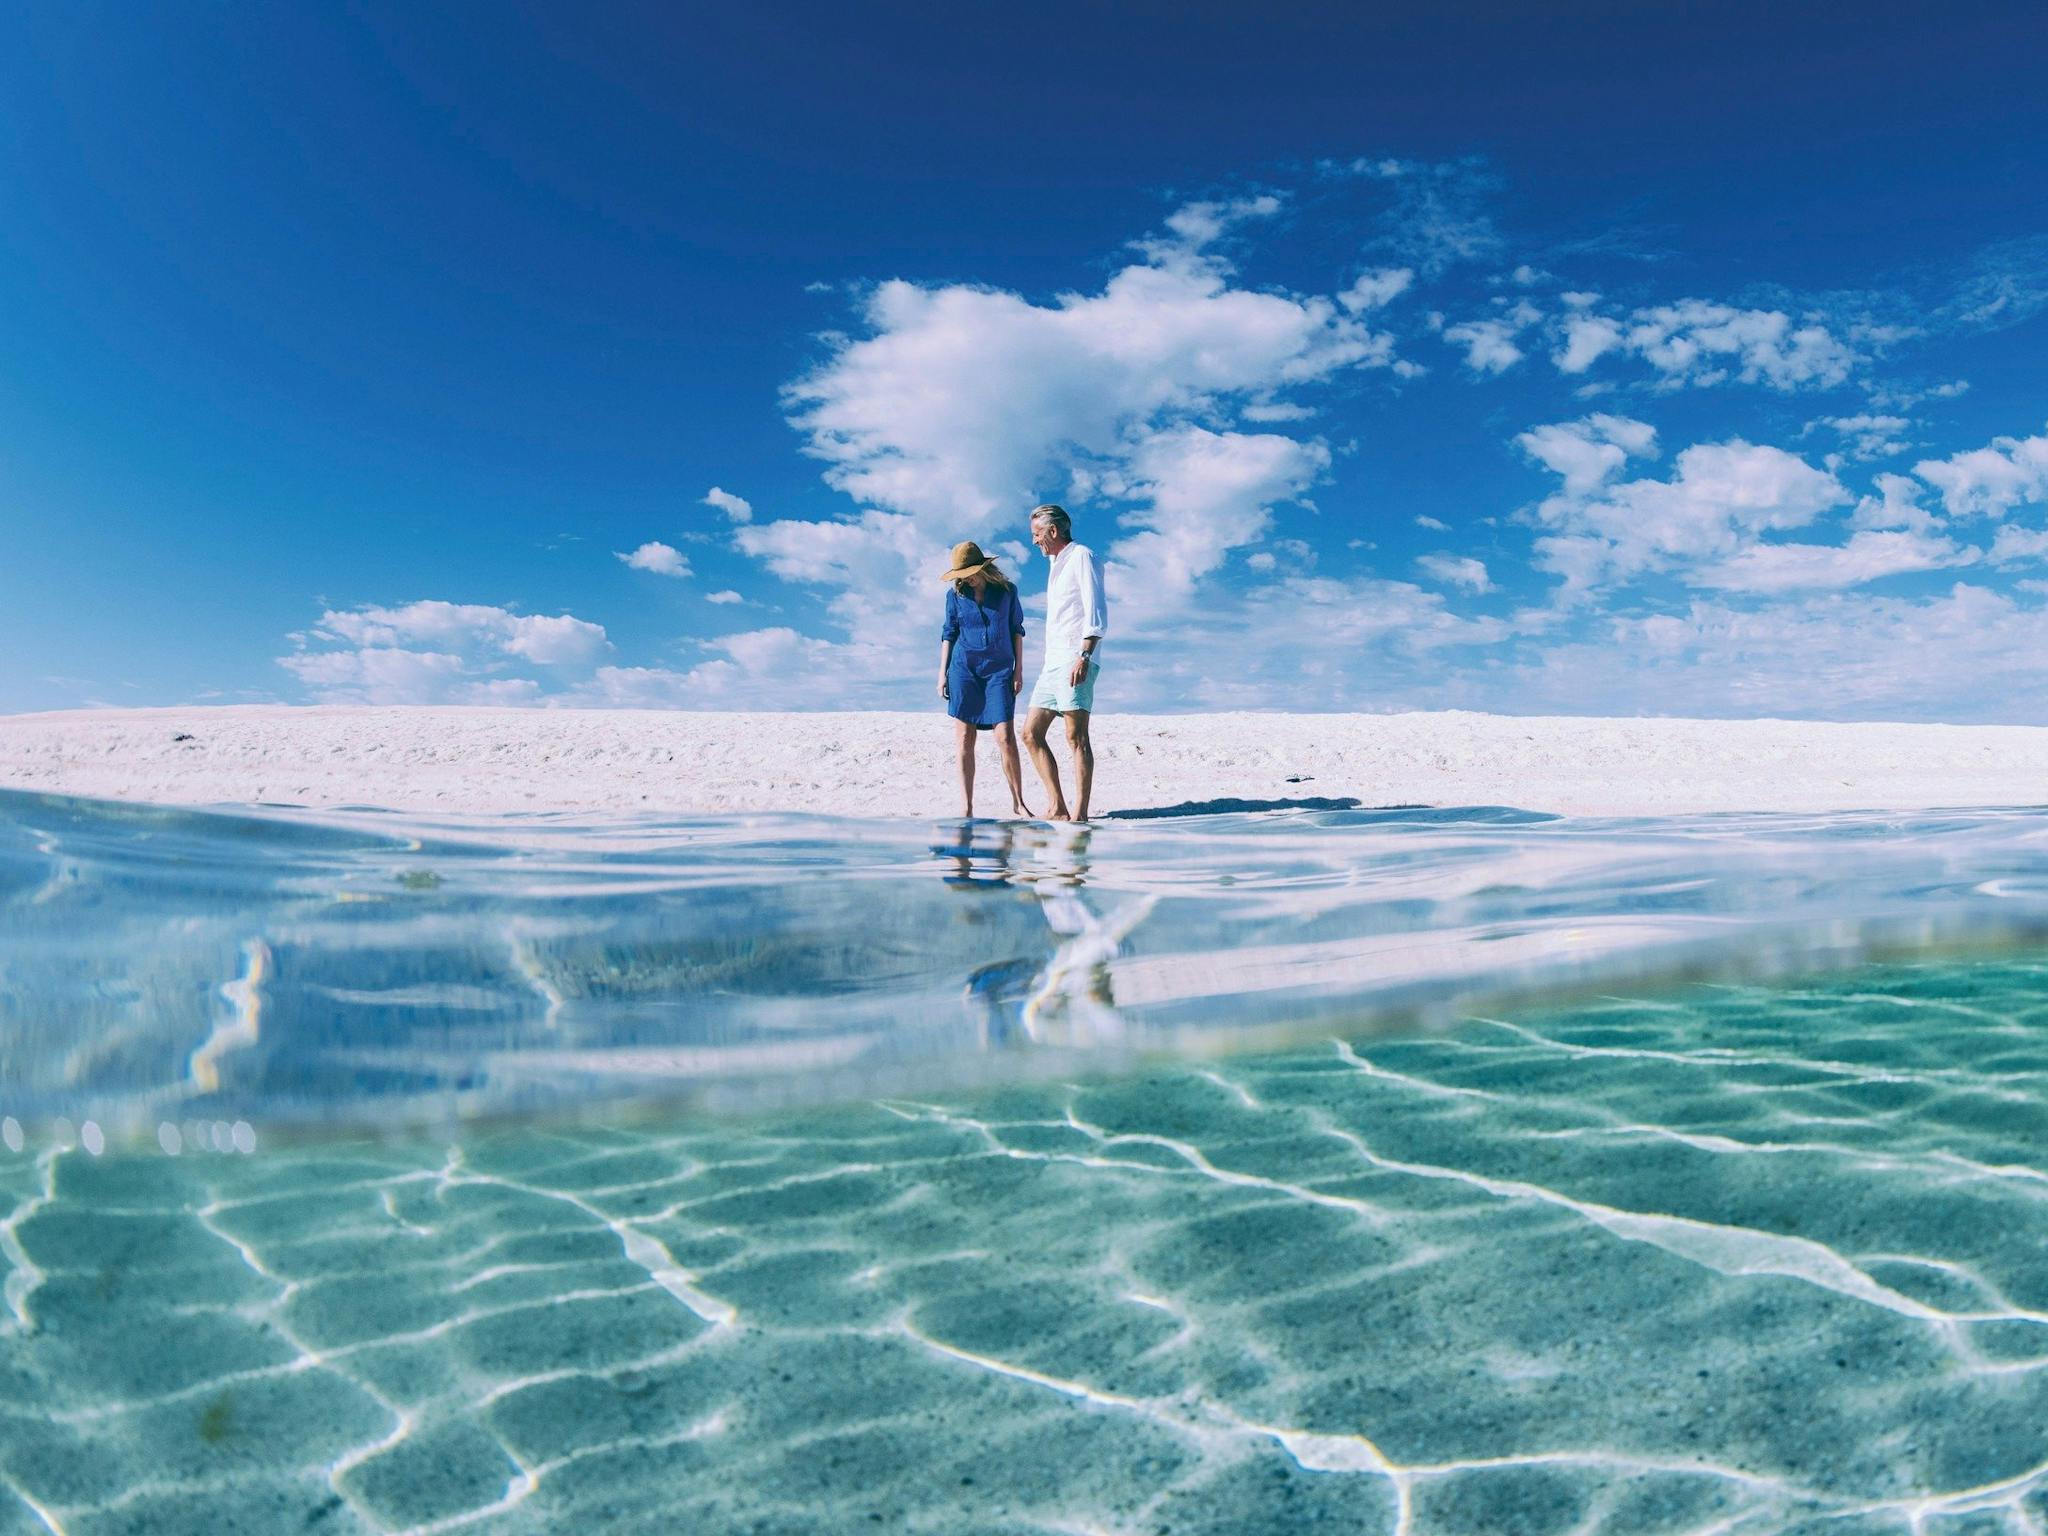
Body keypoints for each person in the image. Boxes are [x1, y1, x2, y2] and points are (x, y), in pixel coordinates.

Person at [1022, 503, 1107, 821]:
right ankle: (1057, 806)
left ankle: (1080, 814)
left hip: (1076, 657)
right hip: (1052, 663)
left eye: (1037, 534)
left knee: (1076, 736)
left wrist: (1084, 654)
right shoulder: (1055, 563)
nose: (1034, 541)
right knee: (1031, 733)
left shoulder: (1082, 555)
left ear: (1053, 531)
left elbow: (1095, 607)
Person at [937, 540, 1032, 819]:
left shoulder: (1006, 592)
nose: (967, 578)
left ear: (984, 568)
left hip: (999, 670)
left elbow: (1017, 630)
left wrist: (1018, 670)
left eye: (971, 572)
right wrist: (941, 673)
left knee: (1005, 737)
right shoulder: (954, 596)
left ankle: (1018, 801)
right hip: (963, 669)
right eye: (962, 574)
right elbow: (949, 633)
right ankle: (966, 807)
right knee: (964, 738)